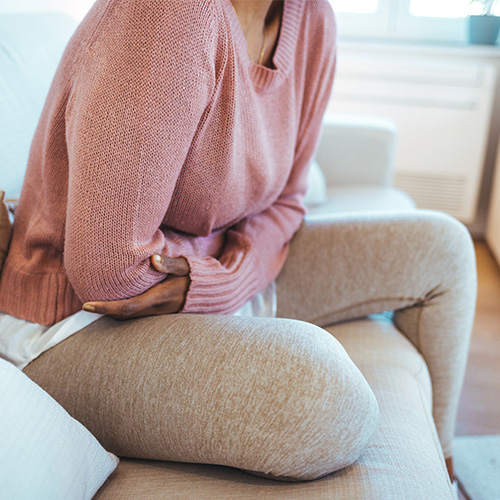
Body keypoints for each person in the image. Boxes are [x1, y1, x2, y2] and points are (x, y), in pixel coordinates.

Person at [0, 0, 476, 482]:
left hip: (198, 275)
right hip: (75, 322)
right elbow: (109, 271)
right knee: (320, 399)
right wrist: (217, 274)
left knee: (444, 249)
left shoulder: (311, 18)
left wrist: (226, 279)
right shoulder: (167, 15)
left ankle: (446, 467)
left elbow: (289, 201)